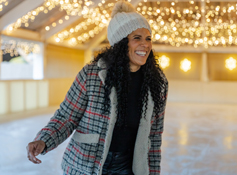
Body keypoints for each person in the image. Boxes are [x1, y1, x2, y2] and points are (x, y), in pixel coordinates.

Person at [26, 1, 168, 175]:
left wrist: (153, 172)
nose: (145, 45)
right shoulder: (92, 75)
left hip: (128, 166)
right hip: (86, 163)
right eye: (136, 38)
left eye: (148, 38)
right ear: (121, 43)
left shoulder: (157, 83)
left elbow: (154, 136)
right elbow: (66, 116)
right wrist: (44, 140)